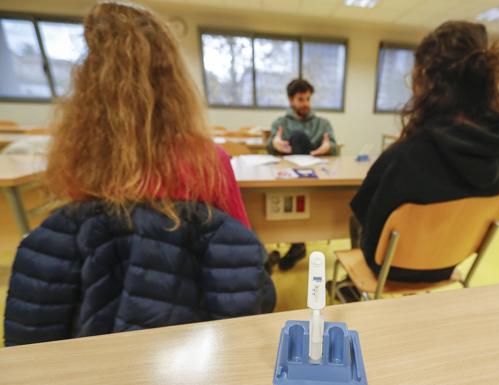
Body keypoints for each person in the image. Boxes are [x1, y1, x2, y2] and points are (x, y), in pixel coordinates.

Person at [4, 2, 275, 346]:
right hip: (195, 334)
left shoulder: (78, 163)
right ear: (175, 82)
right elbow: (239, 255)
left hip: (100, 335)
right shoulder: (208, 161)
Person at [350, 21, 499, 283]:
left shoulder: (408, 153)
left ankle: (350, 286)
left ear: (424, 79)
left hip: (386, 267)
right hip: (451, 263)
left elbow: (362, 209)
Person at [266, 79, 338, 271]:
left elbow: (333, 146)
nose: (305, 103)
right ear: (291, 100)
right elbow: (271, 145)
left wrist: (328, 147)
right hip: (289, 179)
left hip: (316, 177)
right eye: (300, 99)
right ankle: (297, 243)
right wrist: (275, 144)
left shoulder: (322, 123)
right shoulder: (280, 123)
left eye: (308, 99)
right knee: (297, 137)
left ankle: (298, 244)